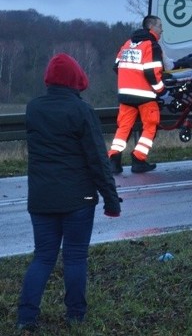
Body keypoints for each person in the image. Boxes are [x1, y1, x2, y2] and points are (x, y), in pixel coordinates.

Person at [16, 54, 121, 331]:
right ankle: (75, 315)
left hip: (41, 199)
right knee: (75, 256)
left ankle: (26, 317)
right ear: (77, 79)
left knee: (43, 257)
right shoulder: (81, 111)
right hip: (78, 199)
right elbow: (98, 159)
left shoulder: (33, 109)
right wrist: (111, 200)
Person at [107, 15, 167, 174]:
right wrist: (162, 91)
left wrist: (129, 80)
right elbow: (152, 73)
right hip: (145, 95)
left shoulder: (128, 44)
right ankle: (138, 159)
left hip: (126, 94)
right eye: (160, 26)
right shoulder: (151, 45)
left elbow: (116, 67)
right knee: (150, 126)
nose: (162, 30)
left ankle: (114, 160)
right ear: (152, 27)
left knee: (123, 127)